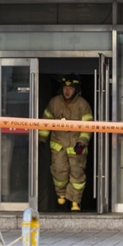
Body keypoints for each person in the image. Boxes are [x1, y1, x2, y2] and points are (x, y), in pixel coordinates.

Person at [39, 73, 93, 211]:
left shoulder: (83, 105)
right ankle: (61, 195)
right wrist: (41, 140)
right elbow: (45, 122)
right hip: (59, 146)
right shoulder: (54, 103)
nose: (67, 91)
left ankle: (75, 201)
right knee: (58, 171)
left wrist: (82, 142)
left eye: (71, 88)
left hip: (77, 147)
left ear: (77, 90)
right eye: (65, 88)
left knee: (77, 174)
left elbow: (88, 126)